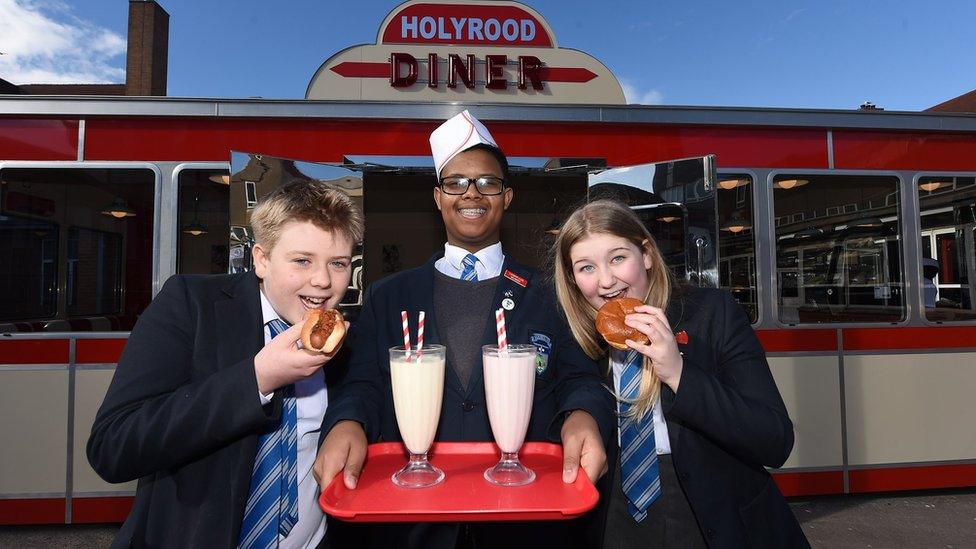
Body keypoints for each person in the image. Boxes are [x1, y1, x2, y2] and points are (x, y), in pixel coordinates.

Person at [314, 110, 614, 548]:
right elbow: (362, 384)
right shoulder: (388, 295)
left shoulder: (550, 292)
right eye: (456, 182)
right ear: (438, 197)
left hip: (525, 519)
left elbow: (580, 379)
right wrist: (346, 423)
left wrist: (585, 416)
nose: (471, 193)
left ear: (506, 197)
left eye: (487, 182)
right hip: (412, 520)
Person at [87, 180, 364, 548]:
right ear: (261, 259)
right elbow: (113, 447)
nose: (323, 281)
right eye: (302, 260)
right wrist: (257, 379)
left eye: (338, 264)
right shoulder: (191, 305)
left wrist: (350, 422)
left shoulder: (344, 338)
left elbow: (362, 397)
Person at [552, 199, 809, 548]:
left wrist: (678, 372)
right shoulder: (576, 340)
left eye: (617, 258)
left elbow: (776, 441)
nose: (606, 281)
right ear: (572, 278)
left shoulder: (712, 314)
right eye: (586, 267)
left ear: (646, 255)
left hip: (712, 512)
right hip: (613, 514)